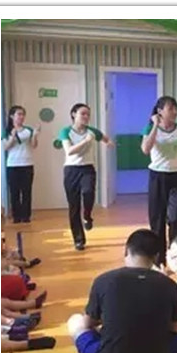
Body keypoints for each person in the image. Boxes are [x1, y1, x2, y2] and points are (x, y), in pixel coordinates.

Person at [67, 229, 177, 353]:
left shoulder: (104, 280)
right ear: (156, 257)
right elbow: (174, 326)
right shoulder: (169, 284)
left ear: (126, 251)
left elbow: (87, 324)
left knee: (76, 321)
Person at [141, 96, 177, 265]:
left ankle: (174, 256)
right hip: (157, 177)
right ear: (160, 111)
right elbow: (145, 149)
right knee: (157, 220)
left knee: (175, 219)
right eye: (170, 109)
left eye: (175, 108)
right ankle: (159, 260)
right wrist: (155, 125)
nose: (174, 112)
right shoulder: (150, 128)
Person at [57, 103, 115, 251]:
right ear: (73, 114)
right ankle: (78, 240)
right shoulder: (66, 131)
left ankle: (87, 216)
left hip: (87, 168)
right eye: (82, 113)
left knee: (88, 192)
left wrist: (109, 143)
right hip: (71, 170)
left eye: (88, 114)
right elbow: (69, 151)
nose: (86, 116)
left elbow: (105, 138)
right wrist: (86, 141)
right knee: (74, 206)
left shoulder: (92, 131)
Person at [3, 105, 39, 224]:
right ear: (12, 116)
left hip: (27, 164)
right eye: (19, 114)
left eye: (23, 114)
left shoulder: (28, 130)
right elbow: (5, 147)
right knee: (14, 192)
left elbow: (34, 145)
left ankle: (26, 216)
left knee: (27, 191)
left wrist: (35, 135)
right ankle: (16, 216)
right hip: (13, 165)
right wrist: (12, 137)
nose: (21, 117)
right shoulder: (7, 131)